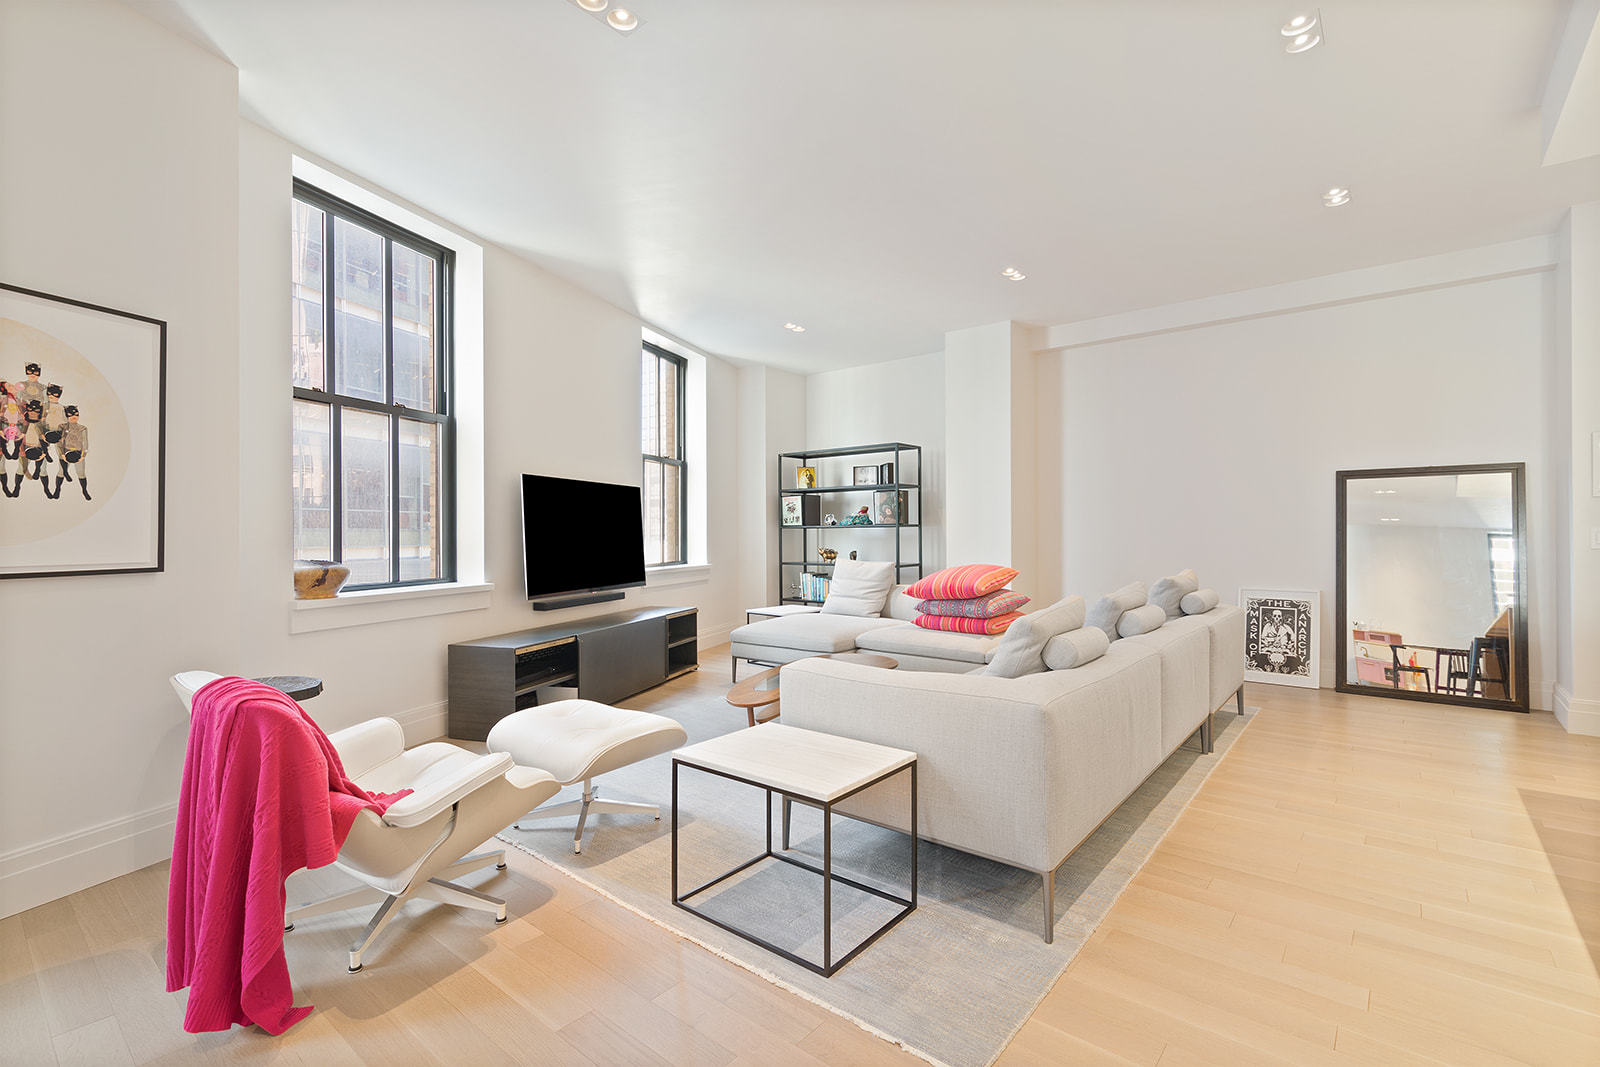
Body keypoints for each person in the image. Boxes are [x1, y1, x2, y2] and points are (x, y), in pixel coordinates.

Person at [56, 405, 90, 500]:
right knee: (61, 472)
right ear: (66, 416)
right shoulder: (62, 427)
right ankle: (57, 489)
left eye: (76, 414)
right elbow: (59, 442)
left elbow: (85, 443)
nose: (73, 416)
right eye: (70, 415)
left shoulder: (83, 428)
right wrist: (62, 454)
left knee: (81, 473)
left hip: (78, 453)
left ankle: (84, 490)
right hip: (65, 453)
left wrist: (83, 455)